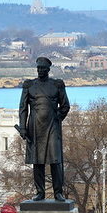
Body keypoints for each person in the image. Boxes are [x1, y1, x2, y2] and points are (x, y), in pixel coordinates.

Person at [17, 56, 71, 201]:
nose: (40, 70)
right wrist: (23, 127)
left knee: (55, 160)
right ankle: (40, 192)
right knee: (38, 161)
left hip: (52, 127)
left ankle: (58, 192)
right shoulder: (29, 85)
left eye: (43, 68)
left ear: (48, 70)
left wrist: (57, 118)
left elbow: (65, 105)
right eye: (38, 68)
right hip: (35, 127)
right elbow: (23, 108)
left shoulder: (57, 85)